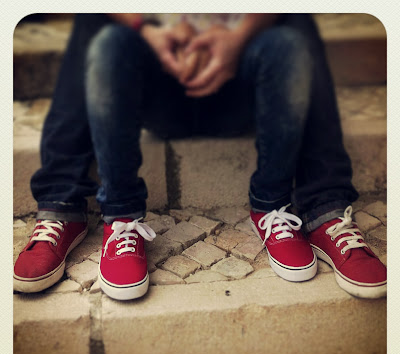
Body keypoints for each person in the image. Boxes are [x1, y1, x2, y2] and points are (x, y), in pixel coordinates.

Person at [13, 13, 386, 300]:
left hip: (240, 84)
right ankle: (81, 207)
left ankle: (318, 208)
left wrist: (239, 37)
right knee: (100, 24)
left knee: (294, 21)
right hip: (160, 87)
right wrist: (145, 29)